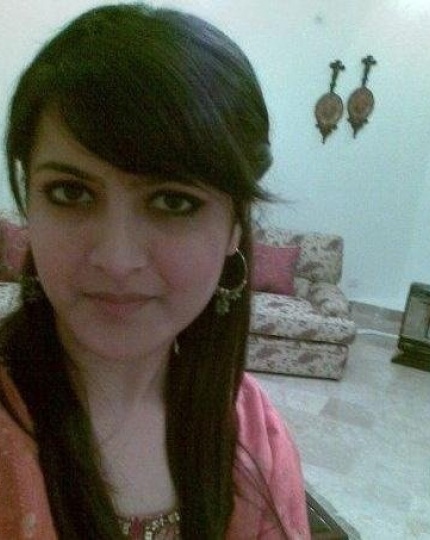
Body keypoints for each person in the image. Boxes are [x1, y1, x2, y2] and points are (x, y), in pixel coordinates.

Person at [0, 3, 311, 539]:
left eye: (173, 201)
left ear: (235, 228)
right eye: (70, 192)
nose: (117, 260)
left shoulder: (255, 437)